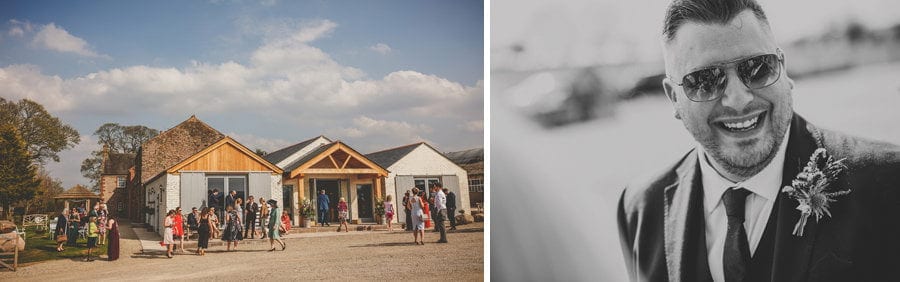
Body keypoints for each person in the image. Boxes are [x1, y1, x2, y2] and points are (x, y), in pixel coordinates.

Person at [617, 1, 900, 281]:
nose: (739, 100)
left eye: (757, 68)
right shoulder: (641, 209)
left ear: (783, 70)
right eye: (704, 80)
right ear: (674, 98)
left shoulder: (889, 182)